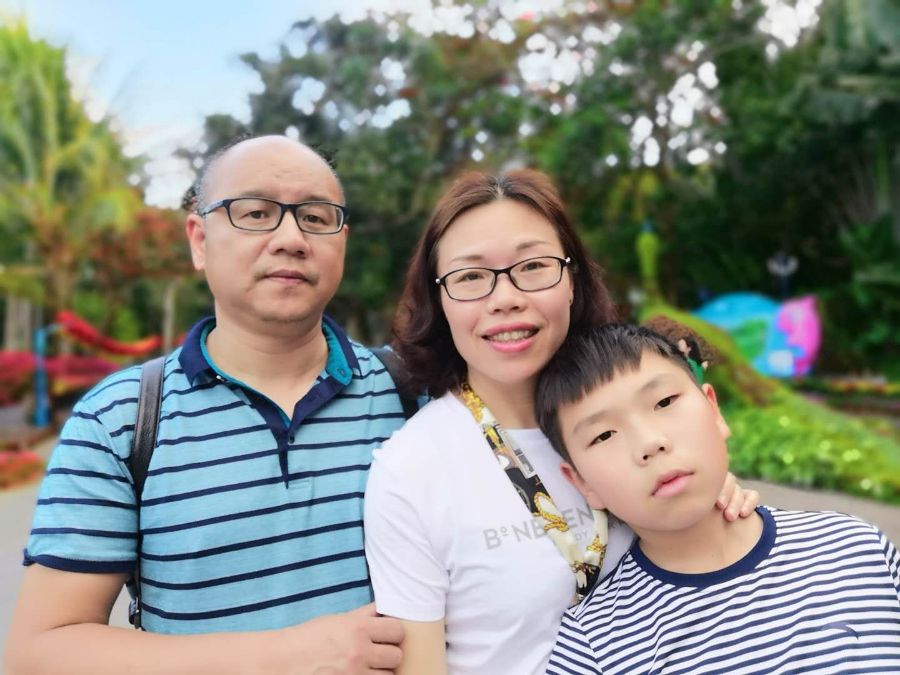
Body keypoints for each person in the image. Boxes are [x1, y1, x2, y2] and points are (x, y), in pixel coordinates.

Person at [4, 136, 406, 674]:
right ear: (199, 240)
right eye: (255, 213)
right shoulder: (120, 420)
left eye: (315, 218)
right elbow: (40, 654)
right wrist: (291, 656)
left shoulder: (414, 394)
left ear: (342, 242)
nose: (291, 238)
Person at [363, 169, 760, 675]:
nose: (505, 297)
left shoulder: (637, 425)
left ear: (572, 280)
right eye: (470, 277)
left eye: (533, 266)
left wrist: (709, 499)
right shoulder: (412, 470)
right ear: (439, 301)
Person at [536, 323, 900, 674]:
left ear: (713, 409)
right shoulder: (594, 645)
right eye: (603, 435)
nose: (649, 442)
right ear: (581, 482)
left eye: (664, 401)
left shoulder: (855, 547)